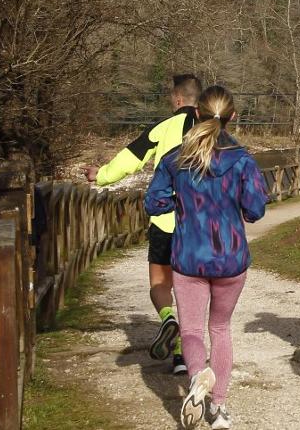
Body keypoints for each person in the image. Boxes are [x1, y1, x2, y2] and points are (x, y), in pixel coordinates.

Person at [145, 84, 268, 430]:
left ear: (195, 113)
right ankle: (219, 408)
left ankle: (198, 376)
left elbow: (153, 202)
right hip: (230, 258)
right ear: (233, 117)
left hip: (188, 256)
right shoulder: (242, 160)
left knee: (193, 328)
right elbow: (256, 209)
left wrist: (181, 204)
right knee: (221, 328)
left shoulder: (176, 159)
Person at [86, 73, 201, 374]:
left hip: (166, 220)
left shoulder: (162, 128)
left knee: (160, 285)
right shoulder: (210, 130)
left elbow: (130, 158)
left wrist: (101, 175)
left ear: (177, 99)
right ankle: (187, 357)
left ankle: (168, 321)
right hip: (201, 224)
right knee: (192, 290)